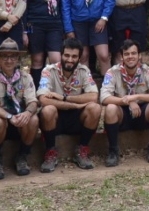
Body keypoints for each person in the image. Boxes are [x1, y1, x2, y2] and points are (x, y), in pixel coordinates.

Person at [37, 37, 103, 171]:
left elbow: (93, 96)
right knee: (48, 109)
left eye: (74, 56)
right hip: (56, 119)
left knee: (94, 108)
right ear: (61, 55)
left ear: (79, 58)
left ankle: (82, 149)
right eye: (67, 55)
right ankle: (50, 151)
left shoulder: (84, 71)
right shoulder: (48, 71)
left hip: (76, 118)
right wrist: (76, 104)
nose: (70, 59)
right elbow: (43, 99)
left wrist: (64, 98)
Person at [100, 39, 149, 165]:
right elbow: (104, 98)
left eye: (133, 53)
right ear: (122, 57)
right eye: (127, 54)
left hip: (143, 112)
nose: (130, 57)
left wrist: (135, 97)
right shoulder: (112, 72)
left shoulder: (147, 70)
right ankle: (113, 150)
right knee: (110, 108)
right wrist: (127, 101)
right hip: (122, 113)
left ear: (139, 55)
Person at [0, 39, 39, 179]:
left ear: (17, 58)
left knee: (33, 119)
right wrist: (9, 117)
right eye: (5, 56)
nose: (9, 60)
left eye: (12, 56)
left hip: (19, 121)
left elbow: (33, 102)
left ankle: (22, 156)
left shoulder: (26, 77)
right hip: (0, 122)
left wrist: (27, 112)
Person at [25, 0, 64, 84]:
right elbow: (25, 9)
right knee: (37, 59)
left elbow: (61, 6)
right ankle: (36, 90)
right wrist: (25, 30)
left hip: (55, 25)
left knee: (56, 59)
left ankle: (55, 88)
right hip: (35, 25)